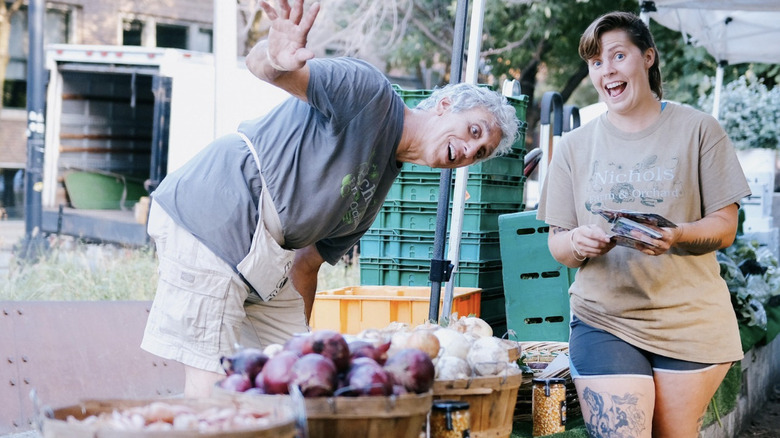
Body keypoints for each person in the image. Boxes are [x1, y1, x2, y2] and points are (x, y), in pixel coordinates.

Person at [140, 0, 519, 397]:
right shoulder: (370, 94)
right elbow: (267, 69)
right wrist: (276, 57)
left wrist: (303, 352)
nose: (469, 151)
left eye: (479, 153)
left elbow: (306, 266)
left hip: (269, 257)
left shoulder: (380, 189)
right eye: (474, 131)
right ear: (444, 106)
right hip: (218, 210)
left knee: (303, 380)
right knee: (212, 379)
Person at [536, 11, 751, 438]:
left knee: (673, 432)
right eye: (596, 62)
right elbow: (557, 244)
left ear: (648, 58)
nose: (606, 71)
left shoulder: (700, 130)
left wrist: (677, 235)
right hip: (605, 318)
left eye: (618, 56)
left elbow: (725, 227)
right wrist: (578, 242)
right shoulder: (575, 146)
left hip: (690, 320)